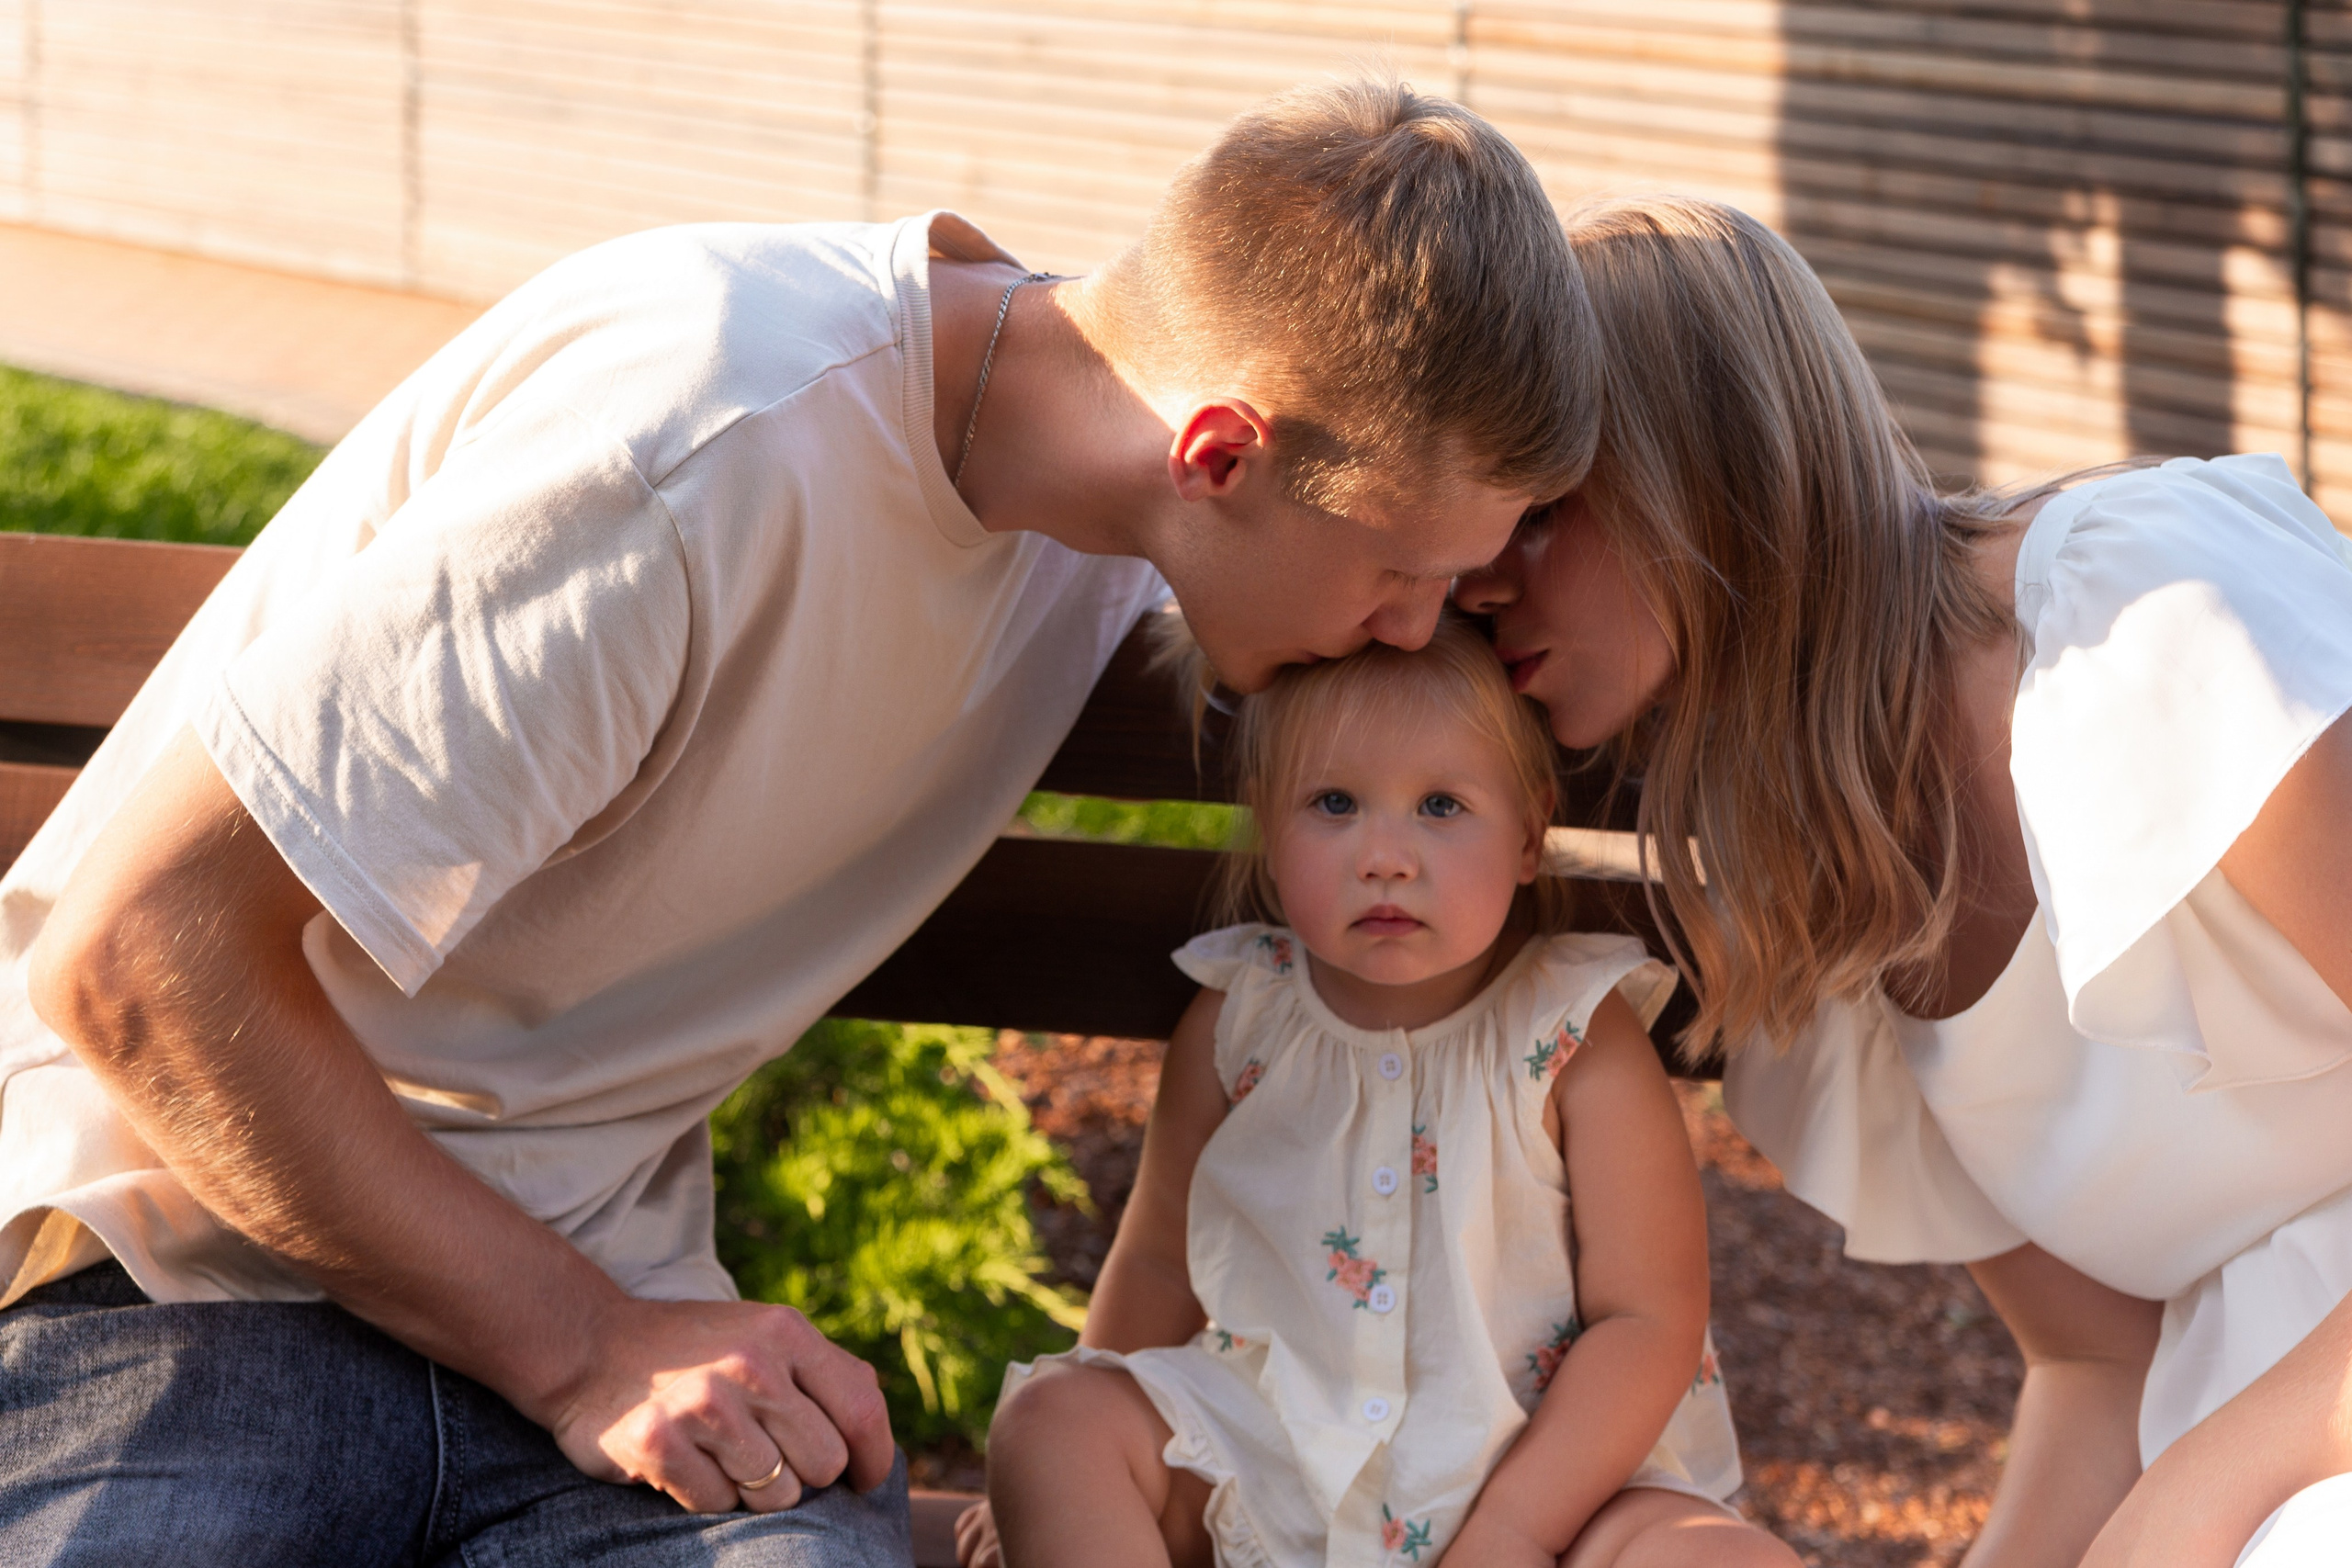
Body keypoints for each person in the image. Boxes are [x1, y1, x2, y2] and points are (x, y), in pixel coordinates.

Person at [0, 79, 1598, 1563]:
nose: (1419, 628)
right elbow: (138, 956)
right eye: (1405, 573)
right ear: (1220, 452)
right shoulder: (697, 445)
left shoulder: (1112, 513)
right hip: (179, 1273)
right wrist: (583, 1345)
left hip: (605, 1342)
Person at [1455, 193, 2352, 1567]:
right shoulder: (1813, 890)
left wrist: (2204, 1495)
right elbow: (2098, 1365)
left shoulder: (2141, 617)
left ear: (1704, 470)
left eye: (1537, 513)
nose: (1479, 583)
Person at [958, 616, 1797, 1568]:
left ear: (1528, 833)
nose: (1385, 856)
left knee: (1728, 1562)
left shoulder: (1573, 1036)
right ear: (1269, 825)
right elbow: (1157, 1264)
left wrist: (1515, 1532)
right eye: (1334, 803)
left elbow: (1647, 1321)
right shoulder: (1240, 1023)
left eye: (1440, 805)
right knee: (1050, 1420)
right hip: (1280, 1461)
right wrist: (1051, 1488)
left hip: (1546, 1476)